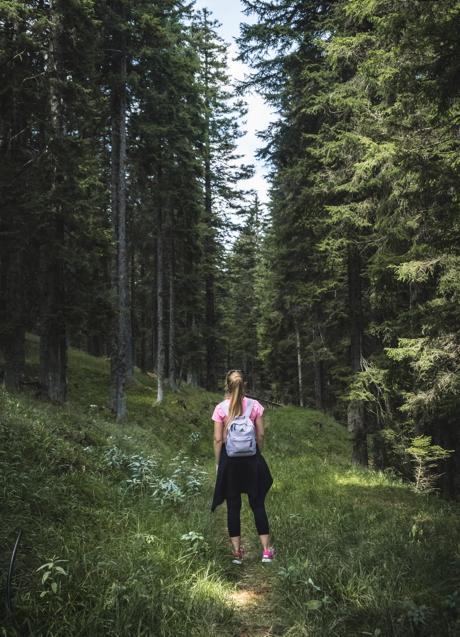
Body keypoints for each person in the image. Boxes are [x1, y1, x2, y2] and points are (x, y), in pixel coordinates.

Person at [211, 369, 274, 564]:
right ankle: (266, 552)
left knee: (233, 507)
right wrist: (257, 451)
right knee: (257, 504)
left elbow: (218, 438)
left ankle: (237, 553)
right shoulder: (255, 406)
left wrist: (218, 462)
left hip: (231, 462)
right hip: (251, 460)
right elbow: (261, 435)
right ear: (244, 384)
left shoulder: (221, 408)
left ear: (227, 386)